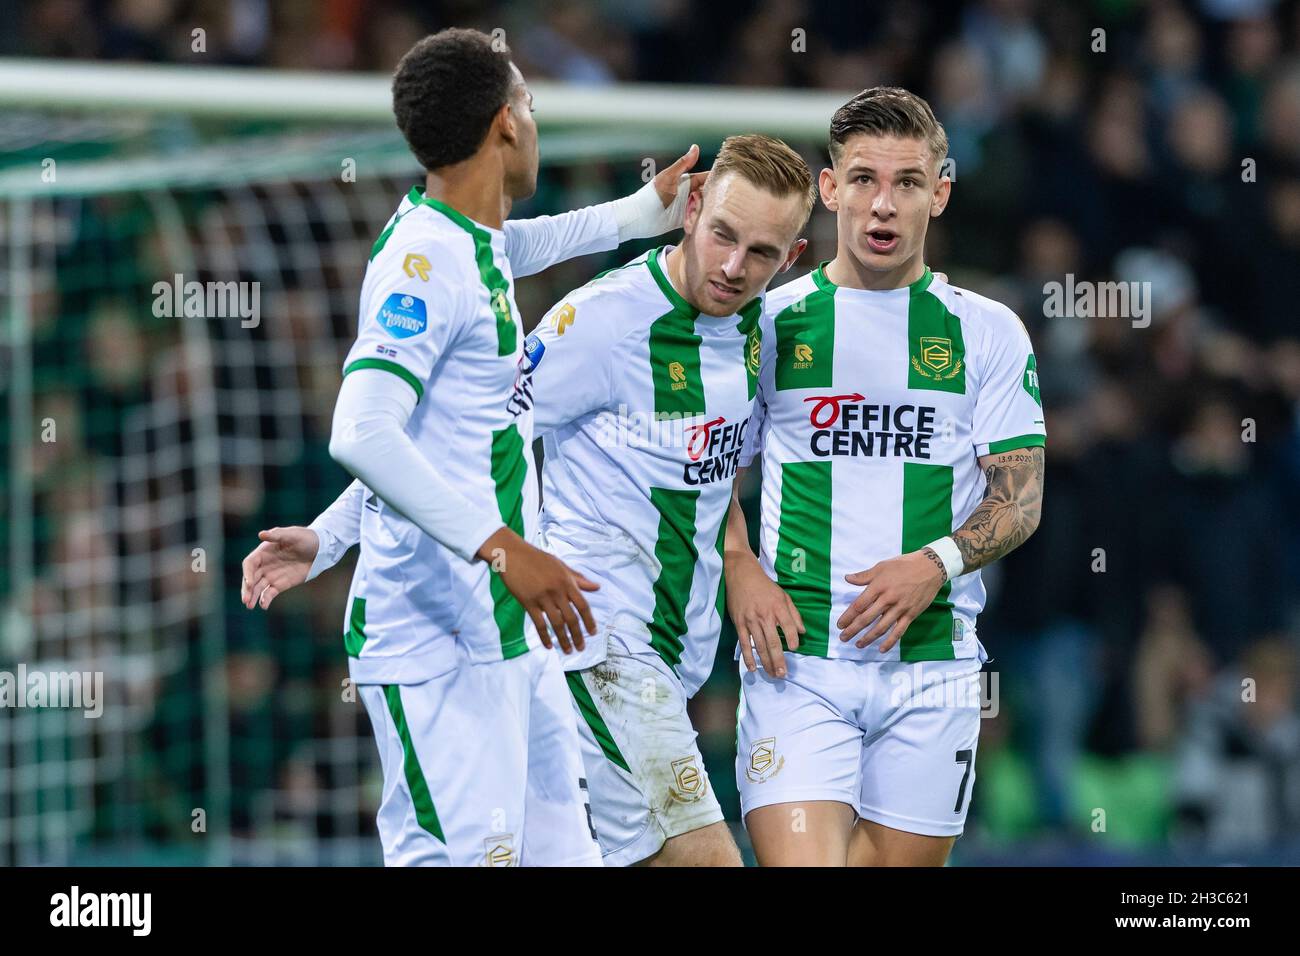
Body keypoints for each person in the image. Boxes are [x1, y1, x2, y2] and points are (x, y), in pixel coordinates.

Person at [251, 134, 815, 866]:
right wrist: (332, 536)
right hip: (596, 639)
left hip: (675, 658)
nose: (735, 267)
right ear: (692, 208)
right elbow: (461, 443)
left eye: (762, 254)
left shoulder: (754, 331)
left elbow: (709, 473)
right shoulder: (604, 324)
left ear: (792, 258)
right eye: (723, 237)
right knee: (706, 859)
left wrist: (738, 558)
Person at [724, 86, 1046, 866]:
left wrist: (933, 564)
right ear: (829, 188)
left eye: (907, 183)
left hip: (934, 665)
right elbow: (708, 472)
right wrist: (737, 564)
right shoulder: (767, 322)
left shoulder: (987, 329)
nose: (883, 205)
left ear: (939, 192)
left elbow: (1021, 499)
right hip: (796, 663)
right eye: (863, 179)